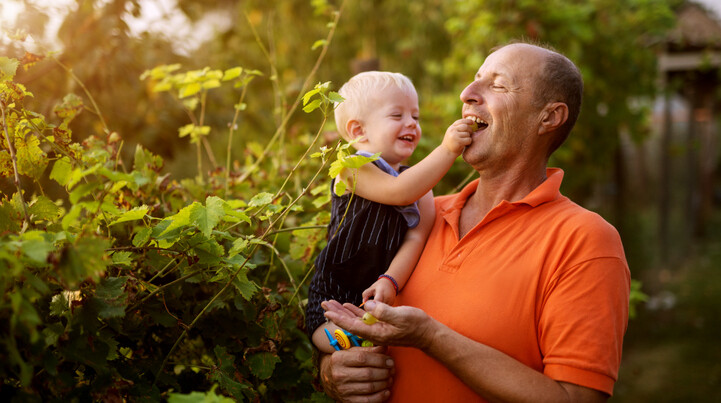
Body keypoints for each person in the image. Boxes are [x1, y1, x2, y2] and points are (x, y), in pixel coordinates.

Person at [319, 42, 631, 402]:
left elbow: (575, 399)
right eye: (474, 80)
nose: (467, 94)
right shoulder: (416, 217)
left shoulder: (585, 241)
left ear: (548, 117)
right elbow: (344, 313)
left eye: (497, 85)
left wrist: (432, 337)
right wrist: (334, 372)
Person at [306, 71, 474, 353]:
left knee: (381, 341)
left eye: (415, 117)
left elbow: (415, 239)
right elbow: (399, 192)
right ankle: (347, 343)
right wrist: (447, 150)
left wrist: (391, 279)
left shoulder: (419, 183)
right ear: (358, 131)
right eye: (397, 116)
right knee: (327, 332)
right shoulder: (350, 167)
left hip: (381, 287)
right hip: (336, 282)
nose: (411, 123)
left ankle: (365, 341)